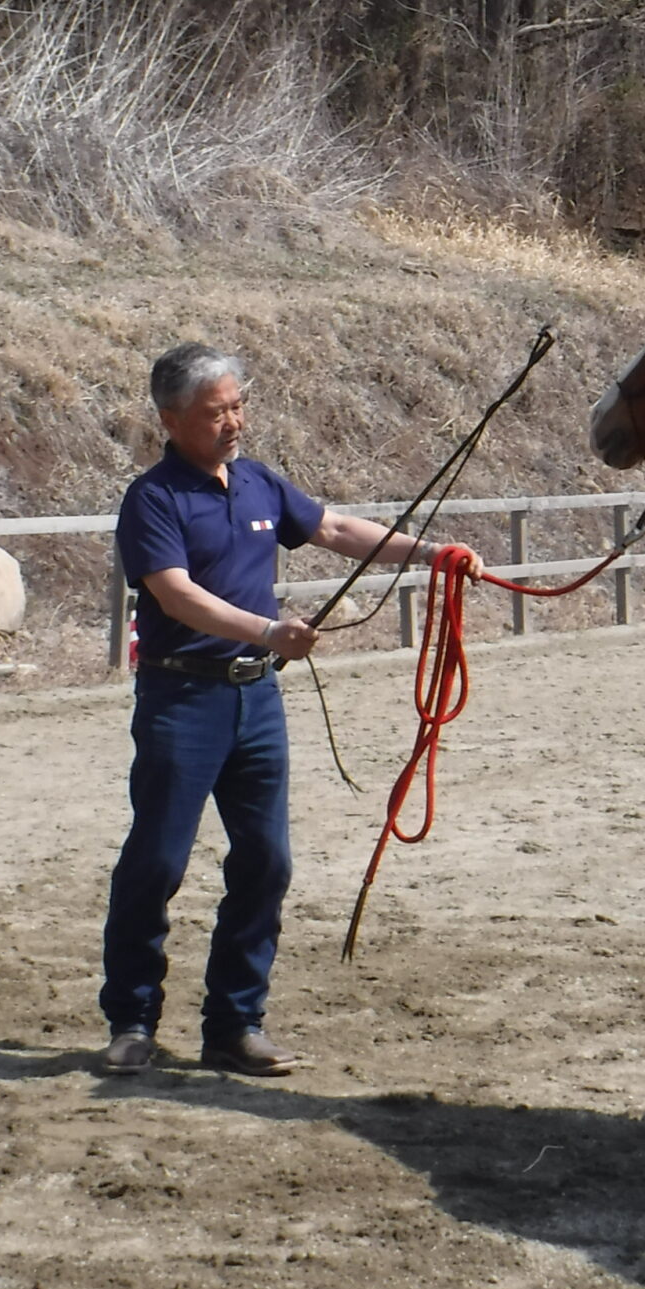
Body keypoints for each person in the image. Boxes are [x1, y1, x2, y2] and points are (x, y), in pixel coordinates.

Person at [99, 342, 470, 1076]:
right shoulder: (154, 499)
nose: (233, 422)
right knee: (158, 860)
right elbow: (175, 594)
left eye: (238, 406)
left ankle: (235, 1023)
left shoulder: (261, 484)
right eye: (216, 413)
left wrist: (432, 555)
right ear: (172, 420)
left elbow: (334, 530)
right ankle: (133, 1019)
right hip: (182, 699)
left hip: (256, 700)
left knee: (267, 861)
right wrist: (268, 630)